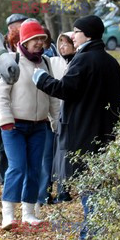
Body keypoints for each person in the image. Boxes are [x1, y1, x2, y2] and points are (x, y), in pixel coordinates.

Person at [32, 15, 120, 240]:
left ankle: (93, 232)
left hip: (83, 134)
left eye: (76, 31)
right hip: (106, 133)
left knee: (89, 184)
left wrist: (41, 79)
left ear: (88, 34)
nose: (72, 35)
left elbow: (66, 89)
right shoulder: (109, 60)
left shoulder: (83, 59)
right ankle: (97, 229)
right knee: (99, 182)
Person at [0, 19, 60, 230]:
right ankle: (8, 215)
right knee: (17, 167)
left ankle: (29, 214)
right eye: (35, 40)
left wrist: (55, 120)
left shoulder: (46, 63)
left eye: (42, 39)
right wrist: (5, 120)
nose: (39, 43)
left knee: (35, 169)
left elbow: (52, 96)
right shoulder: (13, 61)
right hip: (13, 126)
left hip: (39, 127)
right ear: (25, 40)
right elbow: (1, 94)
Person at [37, 31, 75, 211]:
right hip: (51, 116)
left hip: (71, 118)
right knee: (47, 156)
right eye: (60, 43)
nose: (62, 47)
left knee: (65, 155)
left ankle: (63, 190)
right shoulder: (51, 62)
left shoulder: (78, 64)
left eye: (66, 43)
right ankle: (43, 193)